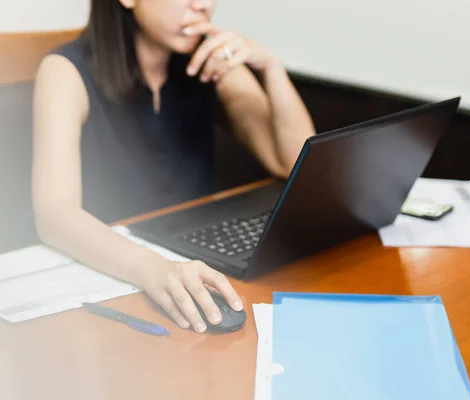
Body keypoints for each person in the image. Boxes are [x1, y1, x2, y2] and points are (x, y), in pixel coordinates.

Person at [32, 0, 315, 333]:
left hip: (198, 264)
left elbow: (292, 163)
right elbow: (54, 214)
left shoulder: (209, 63)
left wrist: (271, 67)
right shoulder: (65, 70)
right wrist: (153, 268)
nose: (204, 6)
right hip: (113, 278)